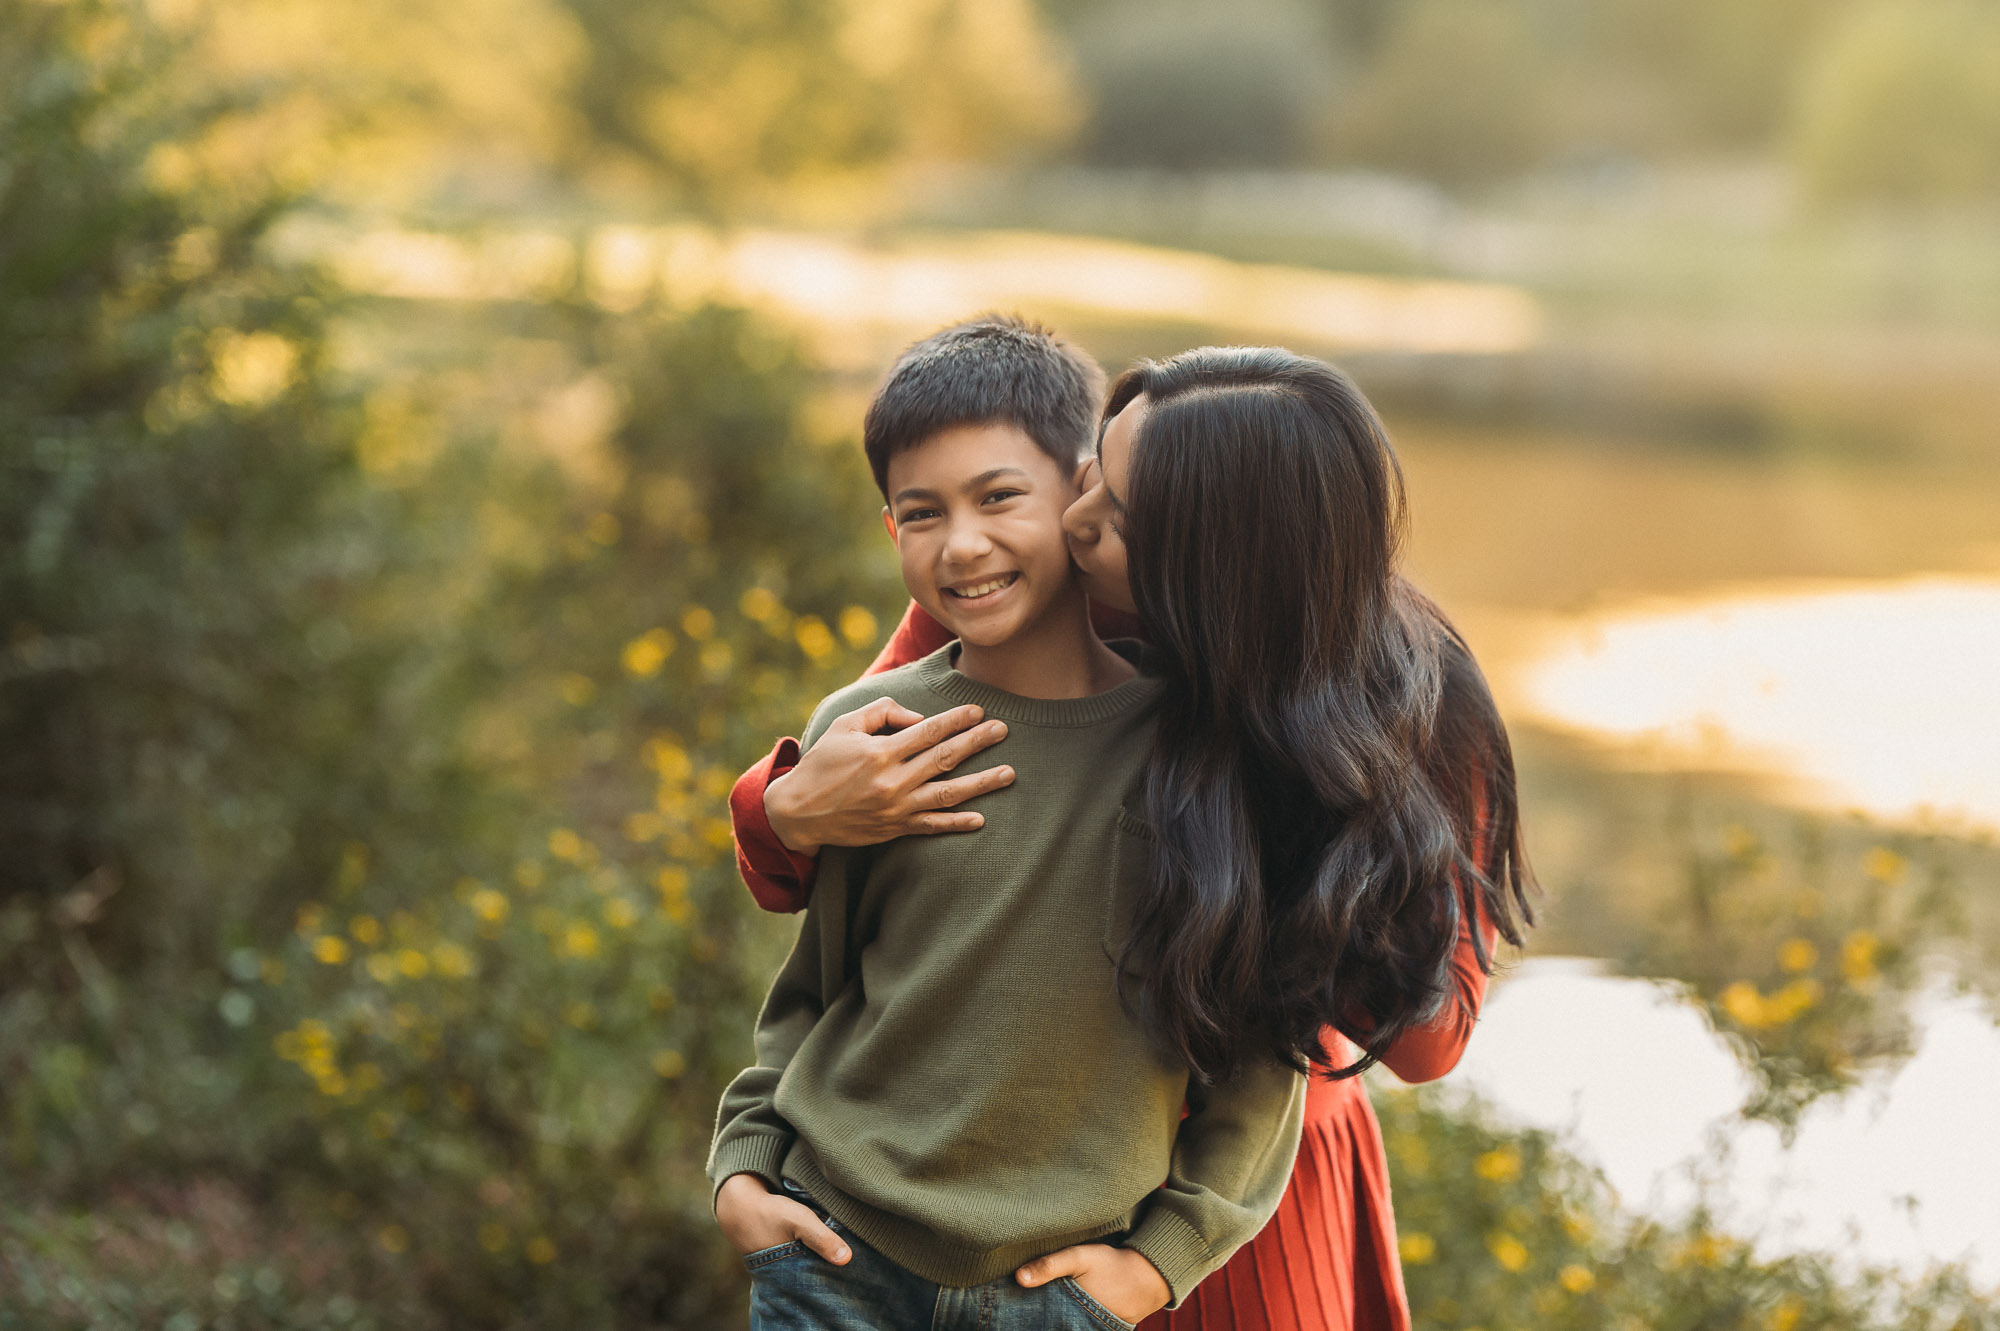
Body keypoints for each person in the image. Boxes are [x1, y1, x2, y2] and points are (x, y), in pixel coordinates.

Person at [728, 345, 1534, 1331]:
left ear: (1213, 559)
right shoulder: (1058, 579)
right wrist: (780, 809)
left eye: (1110, 508)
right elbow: (876, 762)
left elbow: (1427, 1041)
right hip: (1009, 1198)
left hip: (1245, 1196)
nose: (1074, 519)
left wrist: (1310, 831)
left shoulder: (1406, 702)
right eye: (1084, 479)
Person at [709, 318, 1309, 1330]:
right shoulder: (875, 732)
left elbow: (1262, 1055)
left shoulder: (1203, 747)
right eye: (919, 512)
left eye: (997, 496)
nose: (963, 544)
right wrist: (743, 1172)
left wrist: (1156, 1263)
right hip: (834, 1258)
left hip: (1056, 1296)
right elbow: (818, 986)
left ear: (1083, 493)